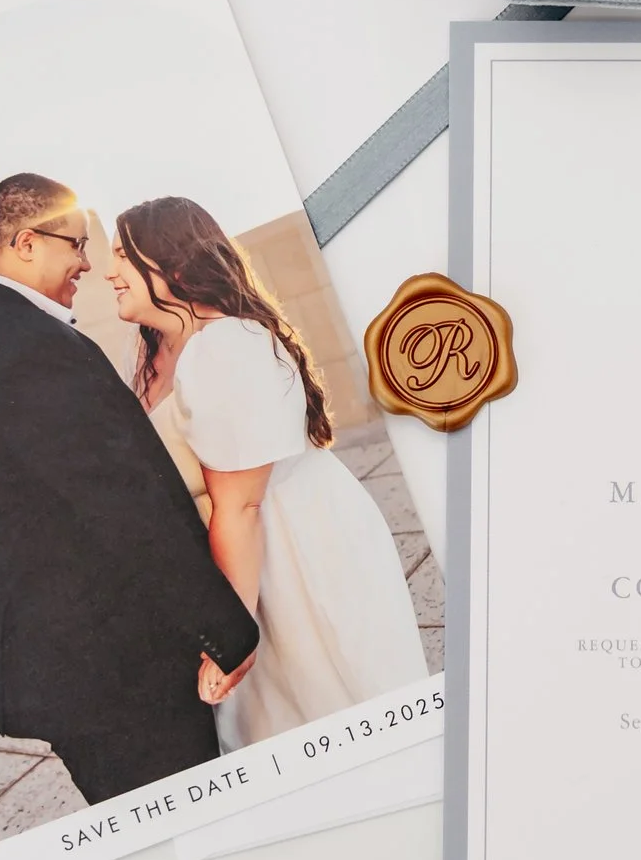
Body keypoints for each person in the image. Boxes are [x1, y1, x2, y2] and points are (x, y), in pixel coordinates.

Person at [0, 173, 259, 806]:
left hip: (75, 654)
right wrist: (226, 629)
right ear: (26, 243)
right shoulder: (25, 345)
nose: (86, 262)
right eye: (76, 244)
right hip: (107, 666)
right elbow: (118, 504)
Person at [104, 196, 428, 750]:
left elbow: (241, 505)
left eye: (124, 257)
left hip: (290, 545)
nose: (109, 273)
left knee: (326, 707)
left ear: (174, 264)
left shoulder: (226, 346)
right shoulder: (159, 349)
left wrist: (232, 635)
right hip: (241, 547)